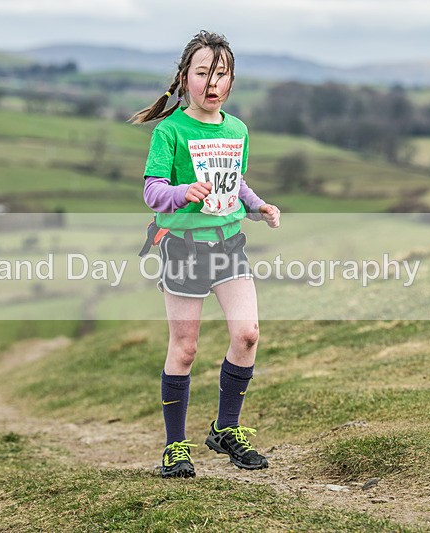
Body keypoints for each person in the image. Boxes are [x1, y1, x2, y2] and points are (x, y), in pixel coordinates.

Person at [131, 30, 281, 478]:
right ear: (184, 79)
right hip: (182, 250)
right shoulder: (170, 131)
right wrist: (181, 193)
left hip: (229, 246)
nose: (212, 83)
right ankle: (175, 447)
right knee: (186, 348)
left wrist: (258, 206)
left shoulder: (238, 130)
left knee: (248, 335)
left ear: (231, 81)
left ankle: (225, 430)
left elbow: (235, 182)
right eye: (202, 74)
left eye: (221, 75)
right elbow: (152, 190)